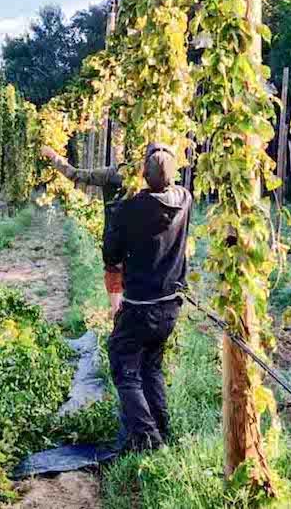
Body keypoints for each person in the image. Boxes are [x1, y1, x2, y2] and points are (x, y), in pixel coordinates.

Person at [102, 143, 192, 452]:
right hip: (170, 305)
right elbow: (171, 186)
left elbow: (111, 253)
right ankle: (163, 428)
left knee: (122, 365)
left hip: (140, 306)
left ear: (142, 174)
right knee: (151, 366)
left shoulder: (130, 208)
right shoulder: (185, 200)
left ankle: (148, 438)